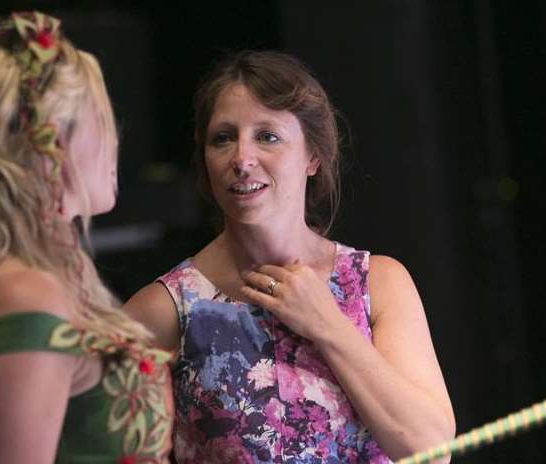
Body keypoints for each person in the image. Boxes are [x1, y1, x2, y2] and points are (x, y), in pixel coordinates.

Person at [124, 50, 455, 463]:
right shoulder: (166, 309)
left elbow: (434, 451)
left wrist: (327, 324)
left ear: (313, 156)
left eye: (268, 136)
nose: (241, 159)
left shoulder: (378, 281)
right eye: (222, 138)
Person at [0, 11, 172, 463]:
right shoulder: (26, 294)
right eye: (103, 117)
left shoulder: (51, 274)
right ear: (54, 142)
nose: (116, 137)